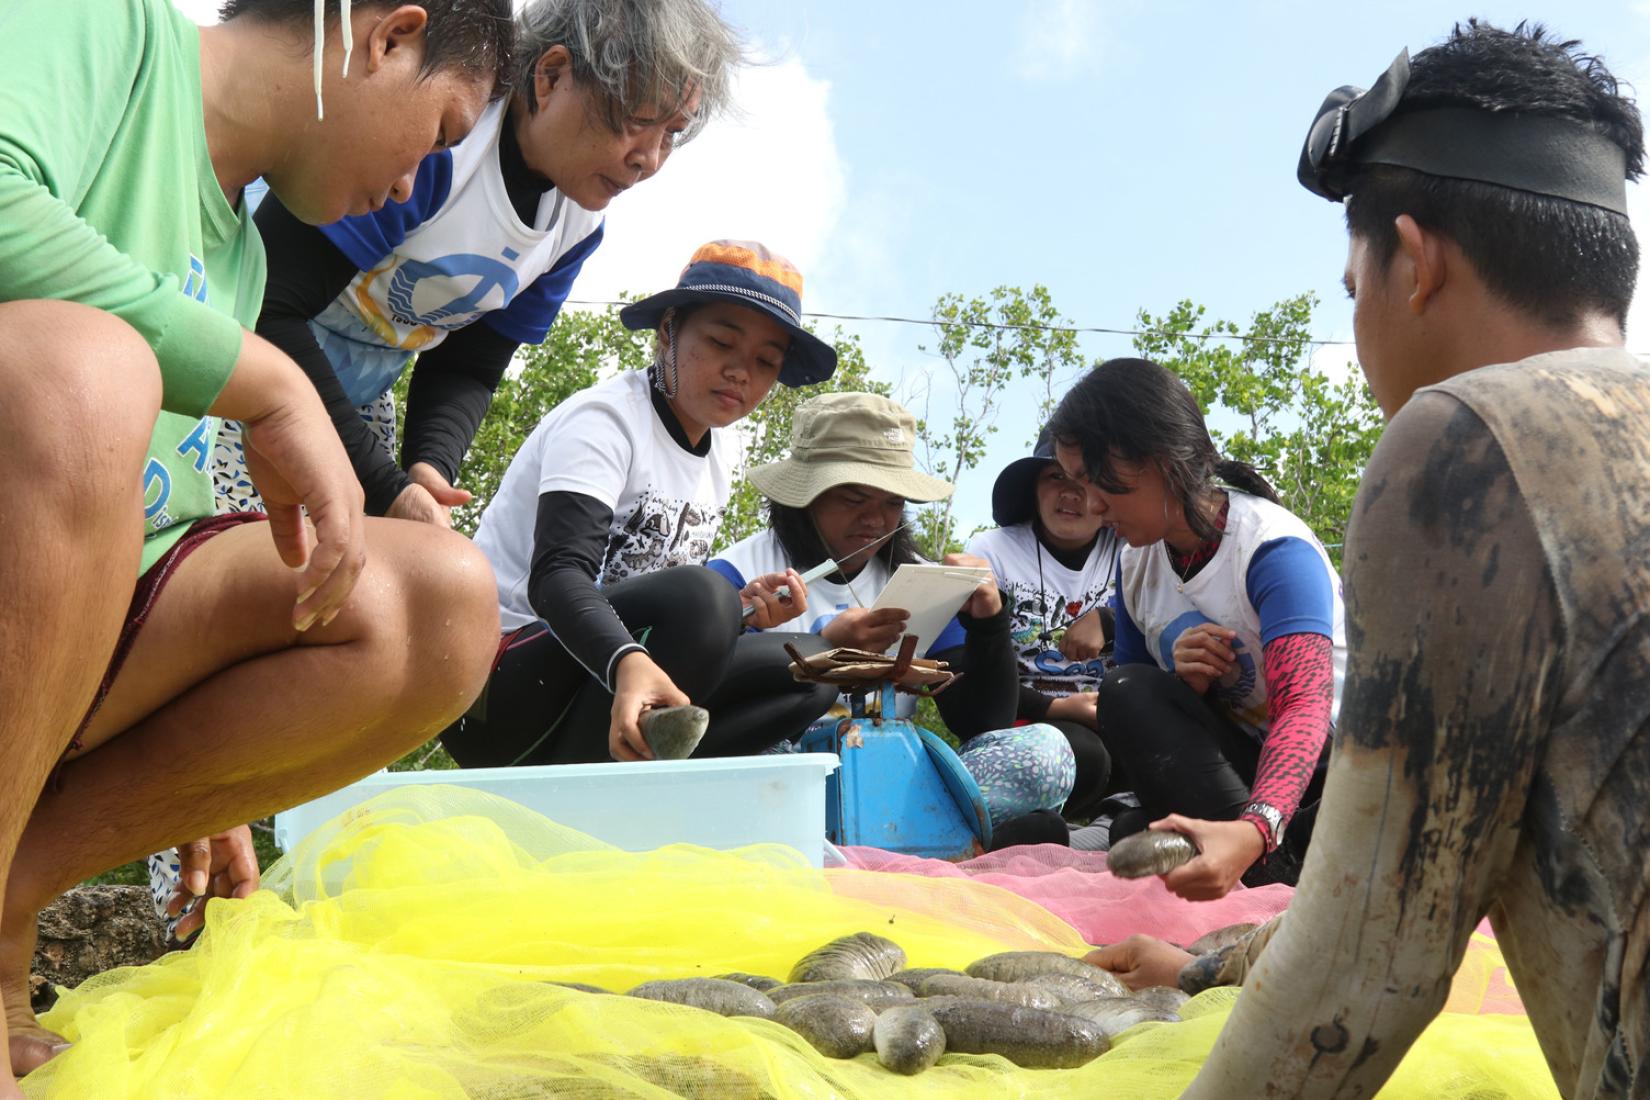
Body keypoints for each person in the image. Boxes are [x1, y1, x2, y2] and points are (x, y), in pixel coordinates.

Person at [1113, 22, 1649, 1099]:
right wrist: (1215, 965)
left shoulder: (1468, 438)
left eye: (1353, 284)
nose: (1356, 320)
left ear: (1419, 260)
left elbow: (1371, 961)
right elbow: (1401, 880)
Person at [0, 0, 509, 1087]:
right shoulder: (98, 31)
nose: (422, 184)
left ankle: (10, 894)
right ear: (387, 38)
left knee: (437, 599)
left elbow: (142, 509)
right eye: (443, 130)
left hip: (68, 642)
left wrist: (207, 782)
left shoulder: (235, 253)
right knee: (91, 369)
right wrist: (267, 380)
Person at [223, 0, 746, 527]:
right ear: (552, 75)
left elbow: (470, 364)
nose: (650, 159)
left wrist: (429, 466)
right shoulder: (442, 135)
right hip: (239, 352)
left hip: (349, 403)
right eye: (637, 121)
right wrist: (386, 487)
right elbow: (268, 303)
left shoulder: (576, 227)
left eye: (671, 134)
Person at [442, 241, 840, 767]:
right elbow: (558, 577)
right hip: (495, 687)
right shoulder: (605, 421)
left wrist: (740, 611)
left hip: (603, 679)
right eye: (722, 342)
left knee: (811, 672)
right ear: (668, 330)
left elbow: (654, 586)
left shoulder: (718, 454)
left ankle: (632, 781)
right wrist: (630, 659)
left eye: (766, 361)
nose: (741, 372)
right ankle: (584, 796)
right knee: (704, 598)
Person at [709, 393, 1078, 850]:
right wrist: (820, 646)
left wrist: (989, 621)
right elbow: (705, 705)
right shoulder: (738, 575)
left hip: (895, 785)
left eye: (892, 503)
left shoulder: (920, 581)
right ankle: (937, 842)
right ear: (804, 495)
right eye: (854, 497)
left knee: (1046, 752)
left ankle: (875, 839)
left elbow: (981, 721)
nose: (875, 519)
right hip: (790, 778)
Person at [1047, 358, 1344, 896]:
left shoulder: (1271, 550)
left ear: (1162, 462)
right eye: (1076, 484)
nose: (1090, 506)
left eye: (1097, 483)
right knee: (1126, 693)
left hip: (1330, 774)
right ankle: (1268, 863)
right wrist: (1190, 688)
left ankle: (1260, 860)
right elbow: (1141, 714)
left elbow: (1304, 705)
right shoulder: (1136, 564)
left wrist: (1255, 828)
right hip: (1246, 779)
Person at [966, 428, 1122, 821]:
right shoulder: (992, 552)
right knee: (1081, 753)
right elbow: (965, 673)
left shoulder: (1133, 549)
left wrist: (1108, 618)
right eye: (1056, 477)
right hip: (1026, 722)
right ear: (1034, 488)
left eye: (1084, 480)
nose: (1070, 494)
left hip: (1118, 715)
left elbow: (1167, 621)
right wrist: (1056, 707)